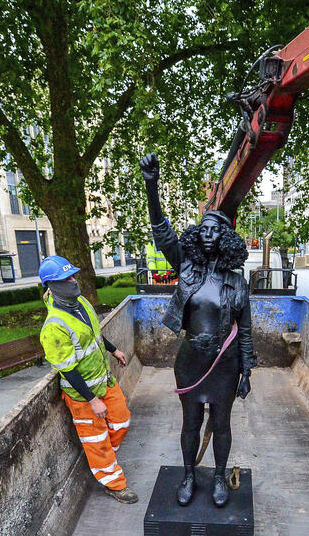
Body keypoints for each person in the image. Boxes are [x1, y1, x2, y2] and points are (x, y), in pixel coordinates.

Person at [140, 153, 256, 507]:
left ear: (224, 239)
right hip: (191, 359)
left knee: (221, 423)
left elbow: (246, 329)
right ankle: (189, 475)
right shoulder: (186, 268)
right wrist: (151, 185)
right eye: (202, 230)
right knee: (190, 422)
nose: (207, 235)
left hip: (225, 364)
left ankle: (218, 478)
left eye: (214, 231)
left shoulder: (237, 283)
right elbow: (162, 232)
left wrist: (247, 370)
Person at [38, 255, 138, 504]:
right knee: (96, 441)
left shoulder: (80, 303)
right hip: (83, 395)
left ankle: (104, 462)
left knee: (122, 420)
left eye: (72, 275)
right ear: (52, 285)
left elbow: (94, 335)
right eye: (66, 278)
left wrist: (113, 349)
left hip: (104, 380)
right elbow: (68, 370)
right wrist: (92, 400)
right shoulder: (53, 328)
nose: (73, 281)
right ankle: (114, 484)